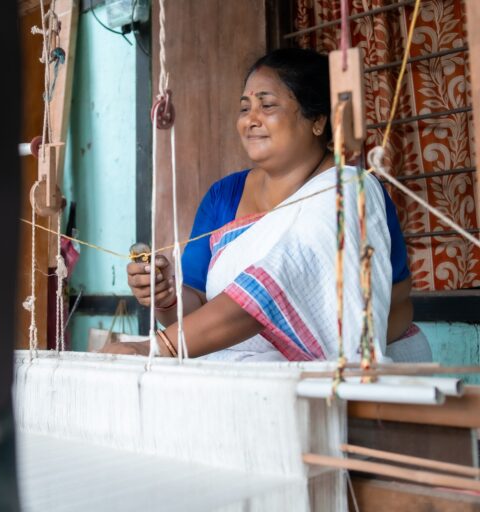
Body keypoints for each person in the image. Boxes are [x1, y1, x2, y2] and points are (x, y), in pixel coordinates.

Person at [103, 48, 431, 362]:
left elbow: (274, 289)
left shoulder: (348, 192)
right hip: (251, 376)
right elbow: (201, 304)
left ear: (317, 120)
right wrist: (167, 297)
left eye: (267, 106)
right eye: (245, 108)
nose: (250, 120)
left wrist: (159, 348)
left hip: (342, 380)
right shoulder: (224, 196)